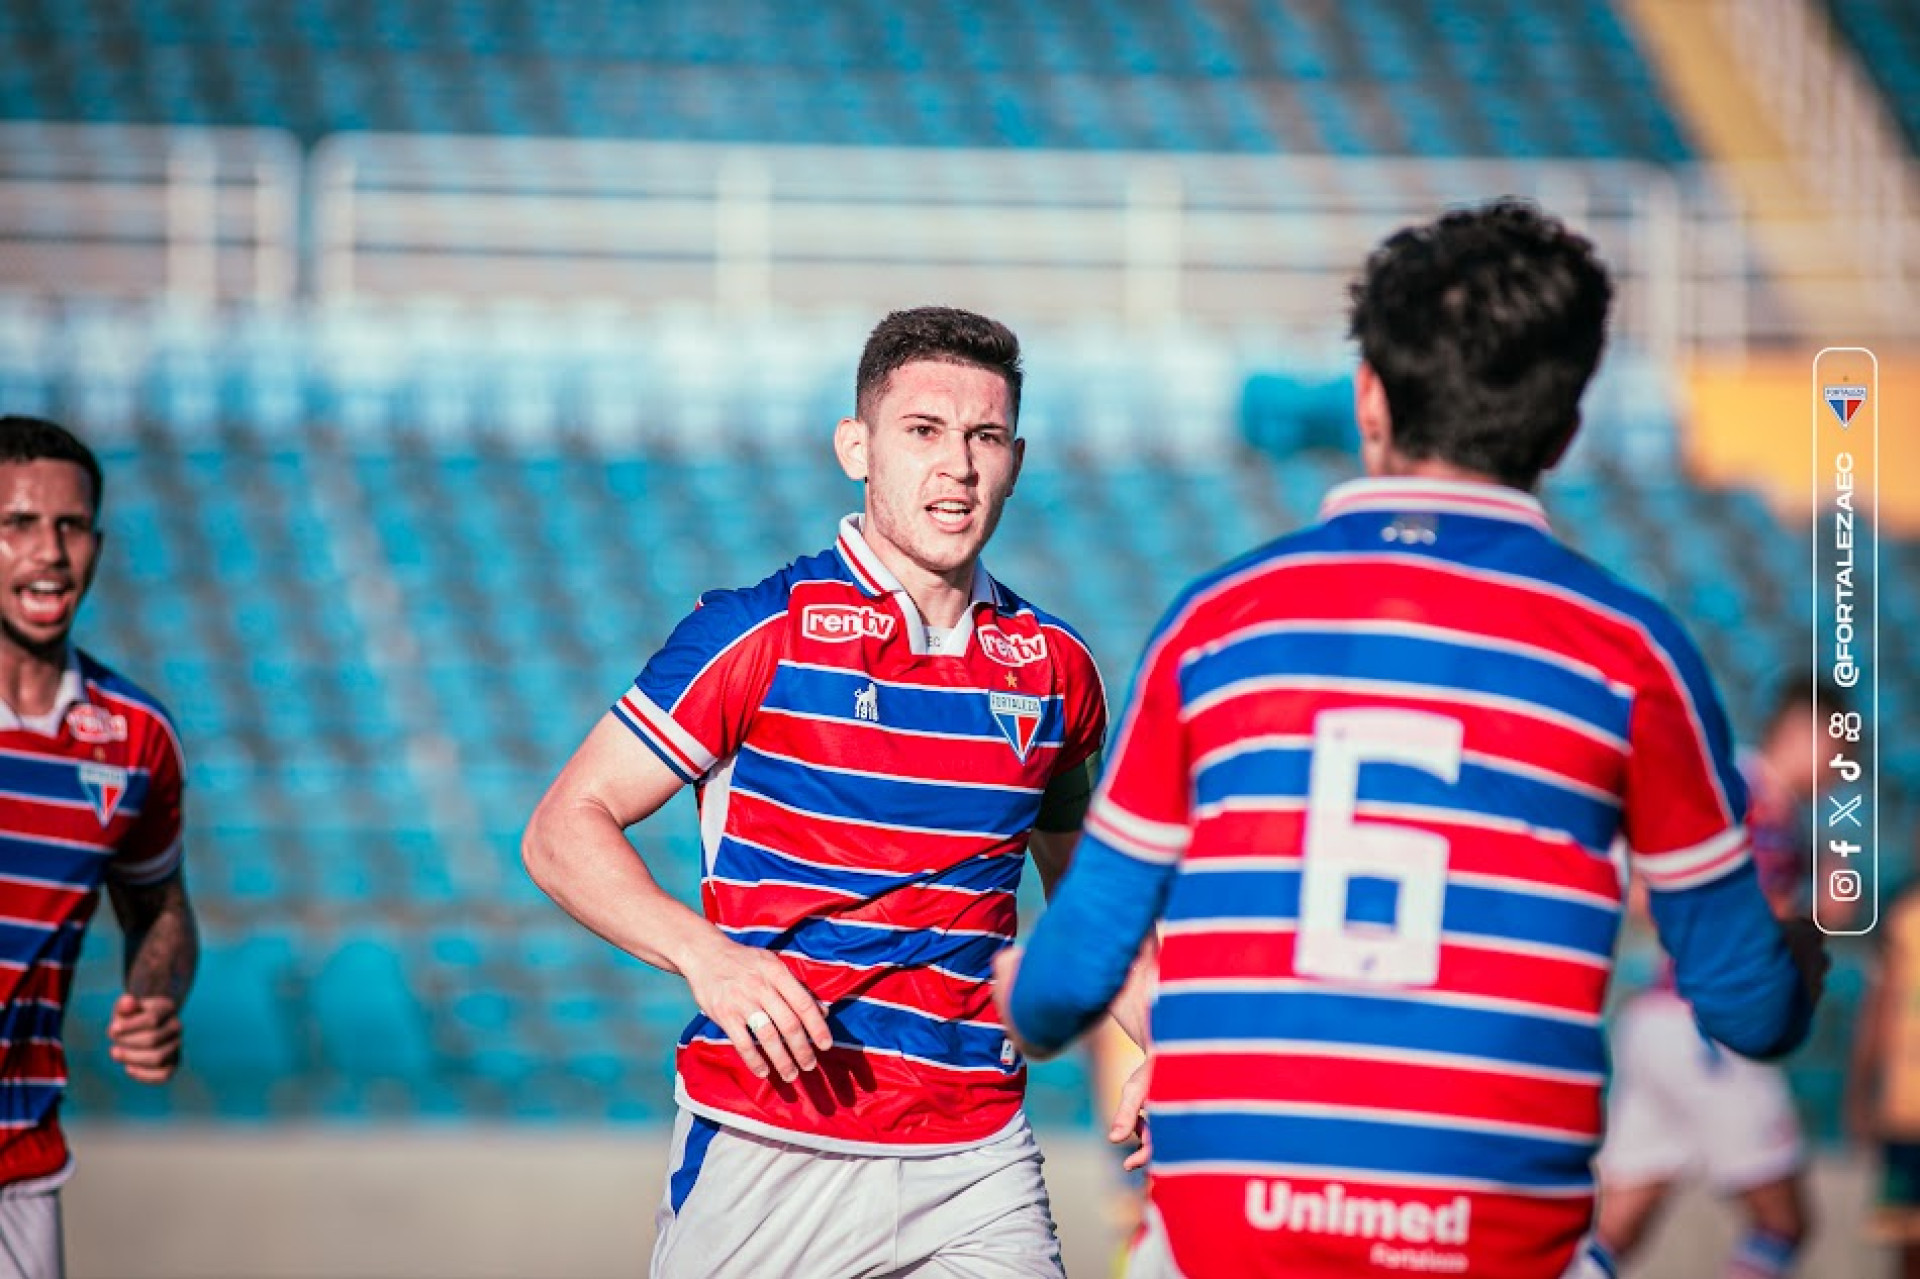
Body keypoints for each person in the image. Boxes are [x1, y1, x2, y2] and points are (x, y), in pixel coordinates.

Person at [992, 200, 1826, 1279]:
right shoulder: (1632, 656)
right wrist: (1804, 950)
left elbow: (1068, 982)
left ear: (1368, 397)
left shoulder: (1217, 627)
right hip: (1491, 1245)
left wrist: (1016, 982)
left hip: (1230, 1239)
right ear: (1564, 428)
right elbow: (1747, 1009)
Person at [523, 307, 1113, 1278]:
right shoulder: (757, 633)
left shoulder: (1054, 667)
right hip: (772, 1143)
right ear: (858, 447)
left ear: (1015, 457)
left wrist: (1165, 1049)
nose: (958, 465)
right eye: (923, 431)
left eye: (985, 436)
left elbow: (1091, 897)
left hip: (977, 1158)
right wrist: (704, 956)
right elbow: (560, 830)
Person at [0, 415, 198, 1279]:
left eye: (70, 526)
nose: (49, 551)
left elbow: (159, 906)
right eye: (17, 524)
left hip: (20, 1174)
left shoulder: (135, 736)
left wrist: (152, 995)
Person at [1597, 678, 1845, 1276]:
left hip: (1660, 1022)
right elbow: (1660, 893)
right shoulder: (1748, 798)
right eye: (1840, 752)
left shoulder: (1766, 806)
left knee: (1619, 1225)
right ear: (1804, 734)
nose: (1843, 770)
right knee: (1784, 1223)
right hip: (1706, 1031)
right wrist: (1814, 917)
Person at [1848, 845, 1920, 1279]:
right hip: (1907, 1112)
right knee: (1906, 1240)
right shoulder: (1906, 918)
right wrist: (1860, 1089)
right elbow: (1880, 1007)